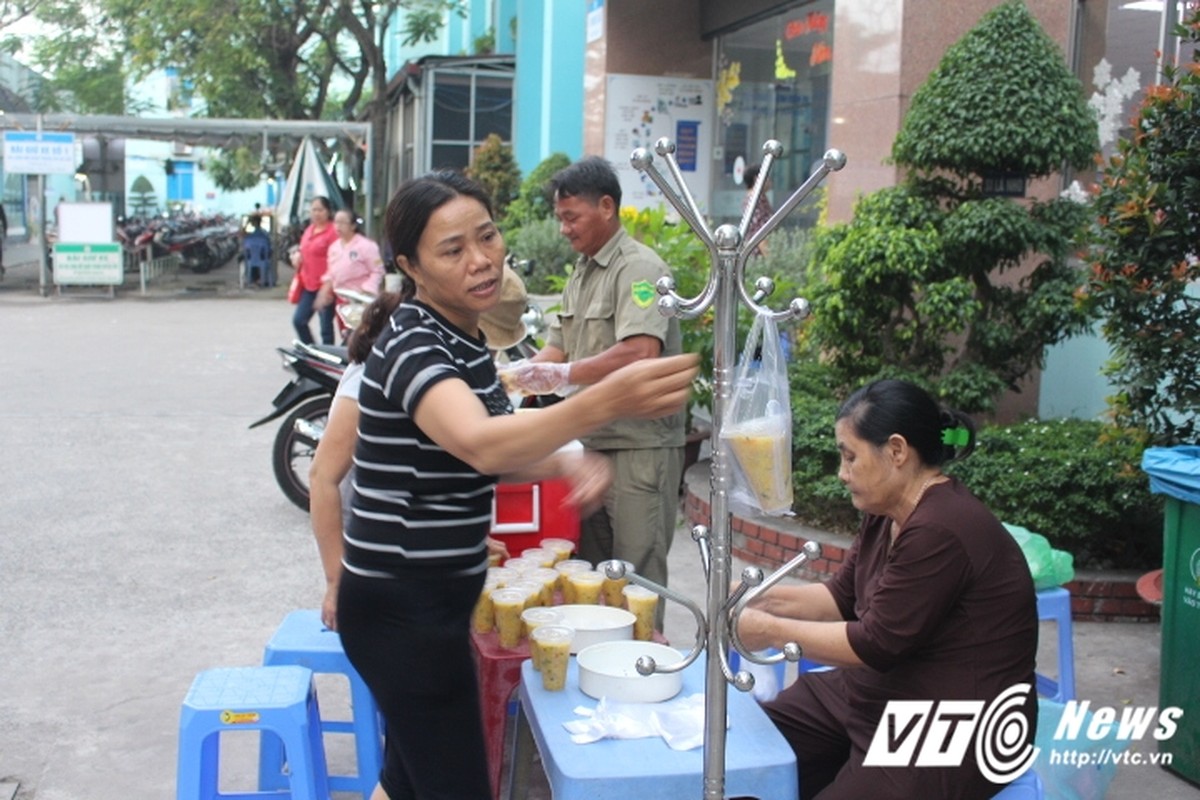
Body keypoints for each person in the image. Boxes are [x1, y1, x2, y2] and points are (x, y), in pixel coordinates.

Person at [335, 170, 698, 800]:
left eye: (488, 236)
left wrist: (562, 458)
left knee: (405, 782)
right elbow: (478, 440)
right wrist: (594, 406)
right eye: (453, 250)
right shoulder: (416, 341)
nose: (481, 261)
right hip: (401, 611)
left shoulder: (467, 338)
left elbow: (485, 456)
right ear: (410, 266)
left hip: (433, 604)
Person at [735, 379, 1038, 800]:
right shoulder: (886, 512)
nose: (842, 473)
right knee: (747, 752)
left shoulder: (942, 527)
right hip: (881, 692)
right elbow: (840, 598)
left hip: (951, 722)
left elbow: (875, 643)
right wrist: (752, 598)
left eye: (850, 457)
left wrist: (769, 630)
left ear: (896, 451)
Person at [309, 261, 529, 632]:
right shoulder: (391, 364)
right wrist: (337, 580)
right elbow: (322, 478)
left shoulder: (447, 363)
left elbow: (433, 466)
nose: (488, 354)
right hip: (374, 541)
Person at [501, 155, 686, 595]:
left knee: (636, 577)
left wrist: (564, 373)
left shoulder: (640, 269)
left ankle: (643, 661)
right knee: (594, 576)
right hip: (591, 446)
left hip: (639, 450)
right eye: (559, 218)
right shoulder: (581, 273)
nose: (564, 228)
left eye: (571, 217)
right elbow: (557, 348)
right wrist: (516, 377)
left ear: (606, 206)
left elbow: (641, 350)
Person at [291, 196, 339, 344]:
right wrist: (297, 255)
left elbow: (338, 259)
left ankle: (328, 358)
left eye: (320, 210)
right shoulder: (309, 230)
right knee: (299, 320)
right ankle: (311, 351)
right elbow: (302, 249)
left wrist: (329, 286)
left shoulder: (333, 232)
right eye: (313, 210)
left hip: (326, 286)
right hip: (308, 285)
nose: (316, 213)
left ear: (328, 211)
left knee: (325, 327)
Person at [315, 208, 385, 310]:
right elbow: (331, 272)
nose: (338, 226)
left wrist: (367, 290)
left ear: (353, 225)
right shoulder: (334, 247)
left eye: (342, 222)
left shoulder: (367, 246)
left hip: (362, 298)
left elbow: (378, 270)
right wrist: (325, 290)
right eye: (336, 222)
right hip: (342, 297)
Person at [742, 162, 773, 255]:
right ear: (757, 179)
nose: (770, 180)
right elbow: (760, 232)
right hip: (758, 257)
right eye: (767, 177)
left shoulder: (753, 198)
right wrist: (771, 260)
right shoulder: (756, 200)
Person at [242, 214, 273, 288]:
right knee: (266, 260)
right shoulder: (264, 235)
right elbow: (269, 250)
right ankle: (264, 279)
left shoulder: (249, 237)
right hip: (262, 259)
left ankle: (251, 279)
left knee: (247, 260)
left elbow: (242, 234)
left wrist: (247, 223)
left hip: (251, 260)